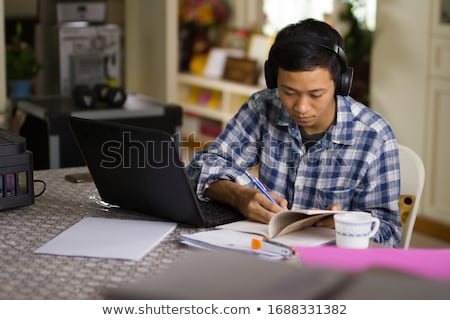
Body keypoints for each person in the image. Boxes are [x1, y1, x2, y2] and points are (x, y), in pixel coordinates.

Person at [186, 18, 401, 247]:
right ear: (272, 78)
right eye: (288, 91)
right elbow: (199, 169)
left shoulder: (376, 136)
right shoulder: (263, 107)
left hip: (328, 264)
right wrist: (237, 195)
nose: (301, 107)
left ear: (341, 83)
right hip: (265, 250)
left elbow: (390, 233)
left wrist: (346, 225)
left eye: (316, 94)